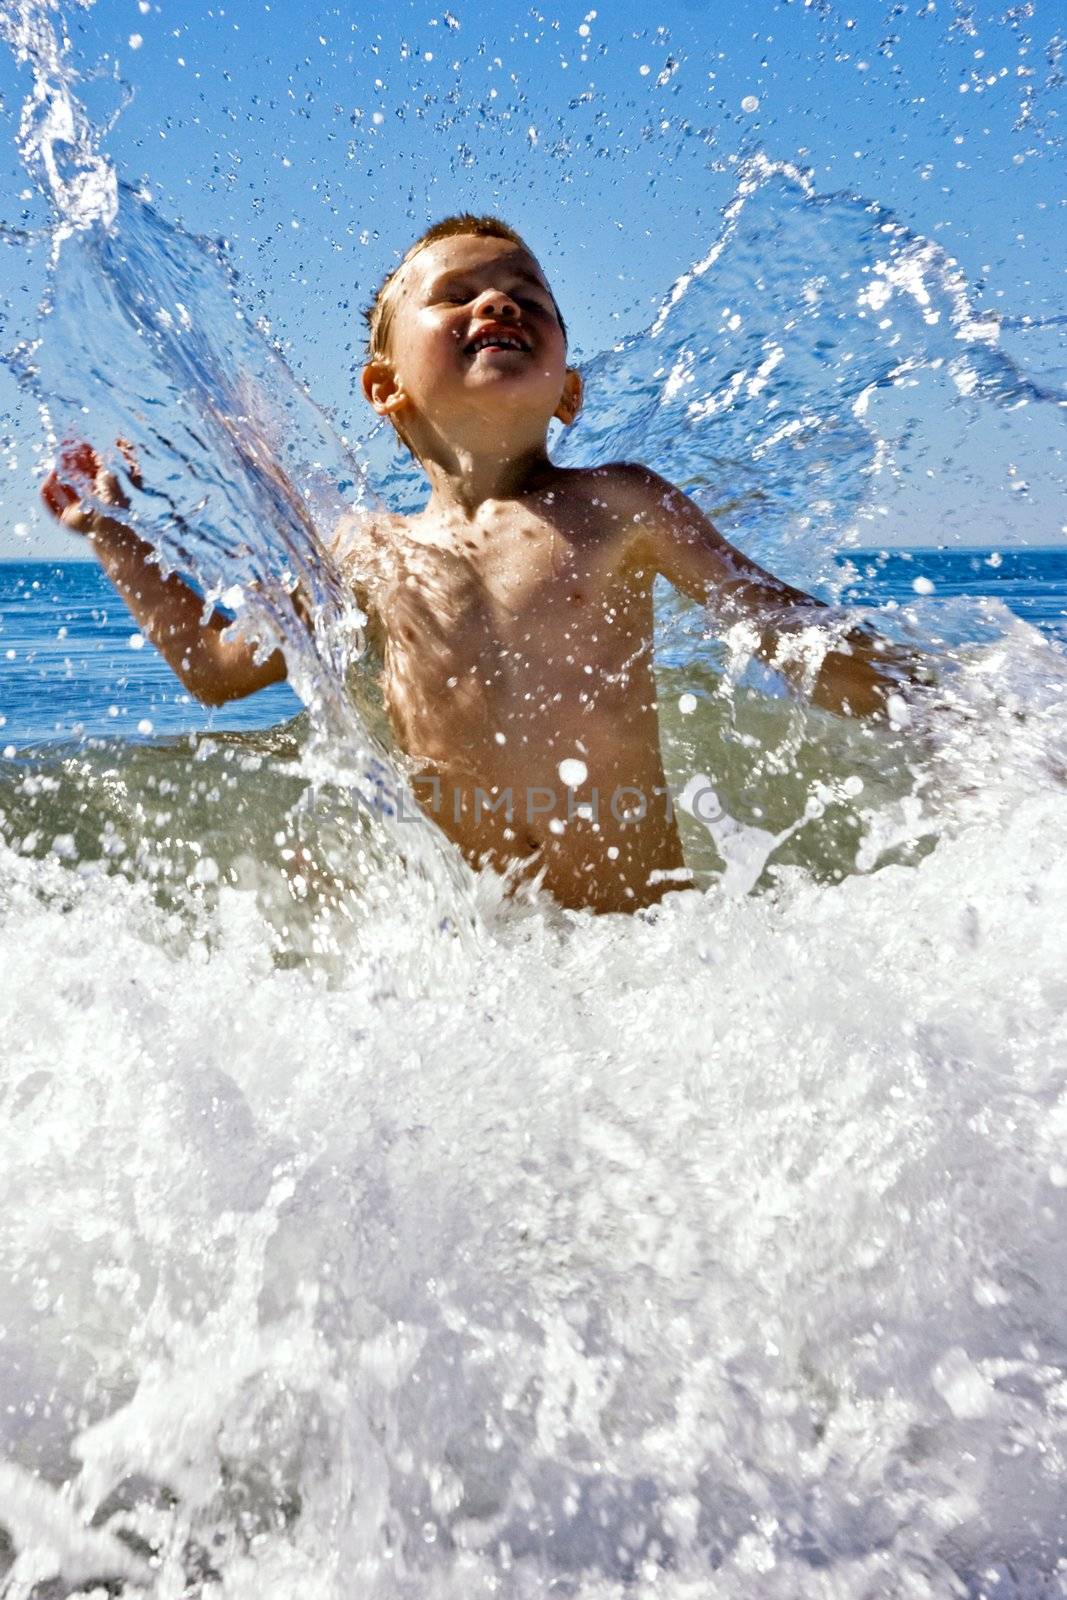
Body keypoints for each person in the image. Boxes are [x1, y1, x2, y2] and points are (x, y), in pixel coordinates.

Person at [41, 213, 919, 914]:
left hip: (646, 950)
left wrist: (962, 714)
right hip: (478, 956)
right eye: (456, 294)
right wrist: (110, 529)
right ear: (385, 387)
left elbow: (781, 629)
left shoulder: (618, 505)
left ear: (567, 390)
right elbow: (216, 670)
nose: (498, 305)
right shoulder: (366, 551)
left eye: (526, 296)